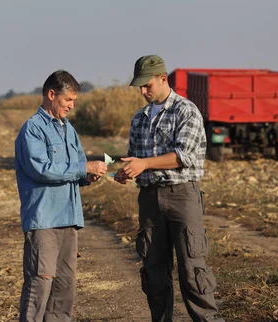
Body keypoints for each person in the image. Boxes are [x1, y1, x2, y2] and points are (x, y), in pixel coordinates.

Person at [114, 55, 224, 322]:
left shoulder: (186, 111)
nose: (142, 91)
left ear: (163, 79)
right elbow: (135, 157)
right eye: (139, 87)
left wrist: (144, 164)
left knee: (193, 272)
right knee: (154, 274)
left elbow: (183, 156)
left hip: (181, 197)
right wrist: (126, 171)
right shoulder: (139, 118)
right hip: (149, 199)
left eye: (147, 85)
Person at [14, 70, 107, 322]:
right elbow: (41, 170)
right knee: (39, 287)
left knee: (64, 290)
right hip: (44, 220)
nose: (72, 106)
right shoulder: (32, 130)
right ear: (51, 94)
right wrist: (83, 168)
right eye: (68, 100)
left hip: (69, 218)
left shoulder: (69, 130)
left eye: (74, 101)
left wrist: (85, 177)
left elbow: (73, 171)